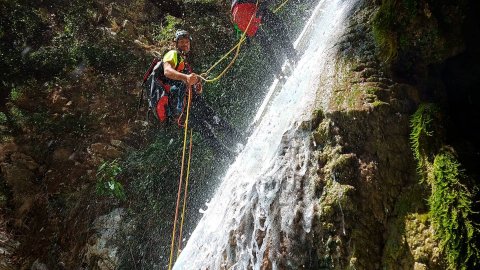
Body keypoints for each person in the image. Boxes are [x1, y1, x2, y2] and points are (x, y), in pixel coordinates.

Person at [149, 29, 242, 157]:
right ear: (175, 43)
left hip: (183, 105)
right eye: (181, 42)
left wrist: (196, 85)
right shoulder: (172, 54)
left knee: (206, 128)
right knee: (212, 121)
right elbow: (167, 72)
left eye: (187, 42)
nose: (185, 45)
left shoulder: (183, 61)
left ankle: (229, 154)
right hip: (185, 104)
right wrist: (186, 78)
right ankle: (238, 142)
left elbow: (182, 81)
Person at [231, 0, 298, 74]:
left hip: (237, 16)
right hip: (245, 6)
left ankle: (279, 74)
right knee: (278, 25)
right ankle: (292, 56)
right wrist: (262, 7)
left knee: (265, 44)